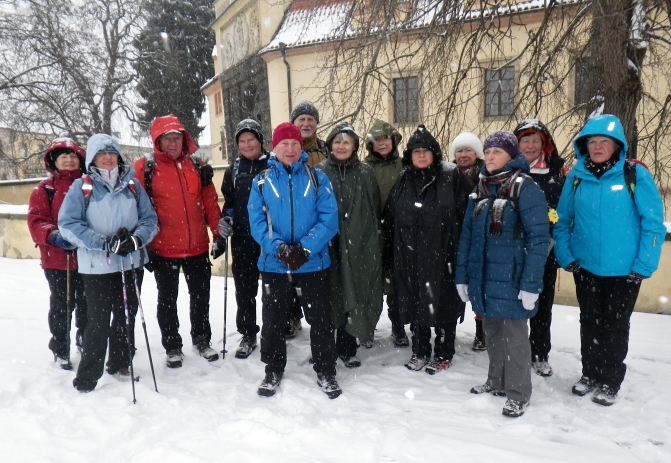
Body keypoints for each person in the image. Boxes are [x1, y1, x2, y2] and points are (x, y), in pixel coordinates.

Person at [553, 114, 666, 406]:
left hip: (624, 271)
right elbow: (563, 220)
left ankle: (610, 379)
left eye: (604, 141)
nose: (598, 146)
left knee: (616, 326)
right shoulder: (577, 176)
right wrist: (566, 256)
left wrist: (644, 265)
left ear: (617, 146)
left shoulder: (634, 175)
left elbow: (653, 224)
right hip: (586, 267)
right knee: (590, 322)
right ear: (584, 146)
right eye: (592, 141)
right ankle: (590, 373)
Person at [456, 131, 550, 417]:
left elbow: (539, 240)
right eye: (489, 151)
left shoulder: (526, 187)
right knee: (492, 332)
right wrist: (463, 276)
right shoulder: (481, 189)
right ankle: (495, 381)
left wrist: (531, 284)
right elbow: (467, 237)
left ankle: (518, 392)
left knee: (516, 337)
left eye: (498, 151)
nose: (491, 156)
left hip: (512, 279)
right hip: (484, 277)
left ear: (512, 156)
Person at [247, 122, 341, 398]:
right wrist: (279, 250)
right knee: (273, 320)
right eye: (284, 144)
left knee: (321, 320)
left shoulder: (317, 177)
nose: (290, 149)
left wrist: (305, 248)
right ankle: (272, 370)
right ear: (274, 148)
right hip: (274, 265)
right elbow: (257, 223)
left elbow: (329, 219)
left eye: (295, 144)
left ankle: (326, 371)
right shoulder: (262, 181)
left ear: (302, 147)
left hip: (312, 263)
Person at [58, 134, 158, 393]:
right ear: (93, 158)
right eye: (102, 154)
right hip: (97, 267)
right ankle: (88, 376)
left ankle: (121, 363)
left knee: (126, 316)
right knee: (98, 321)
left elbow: (150, 220)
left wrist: (136, 240)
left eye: (112, 153)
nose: (108, 158)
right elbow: (68, 225)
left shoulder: (133, 186)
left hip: (130, 262)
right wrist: (104, 242)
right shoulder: (82, 188)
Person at [133, 114, 224, 368]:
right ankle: (172, 345)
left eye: (177, 138)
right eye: (167, 138)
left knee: (200, 296)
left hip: (196, 245)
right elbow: (135, 207)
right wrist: (144, 244)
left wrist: (217, 233)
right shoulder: (145, 168)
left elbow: (209, 200)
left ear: (185, 140)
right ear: (157, 141)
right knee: (167, 299)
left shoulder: (197, 165)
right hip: (163, 248)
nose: (173, 143)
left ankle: (202, 339)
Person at [383, 125, 470, 374]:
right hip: (409, 256)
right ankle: (420, 351)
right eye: (416, 151)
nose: (421, 155)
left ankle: (443, 353)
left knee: (443, 305)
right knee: (416, 303)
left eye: (426, 151)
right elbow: (390, 218)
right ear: (409, 155)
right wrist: (390, 253)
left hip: (444, 256)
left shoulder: (451, 177)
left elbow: (466, 217)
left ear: (435, 153)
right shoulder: (403, 180)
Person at [317, 123, 383, 367]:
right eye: (337, 141)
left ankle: (347, 346)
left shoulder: (365, 172)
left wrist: (369, 240)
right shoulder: (320, 171)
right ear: (330, 145)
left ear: (354, 146)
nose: (341, 146)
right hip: (328, 243)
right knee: (329, 292)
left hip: (359, 242)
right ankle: (325, 345)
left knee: (353, 289)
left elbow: (374, 209)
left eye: (346, 142)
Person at [28, 137, 89, 370]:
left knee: (88, 304)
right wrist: (53, 235)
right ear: (54, 161)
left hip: (86, 258)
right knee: (62, 305)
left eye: (73, 156)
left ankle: (84, 338)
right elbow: (36, 221)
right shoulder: (45, 189)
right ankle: (60, 346)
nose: (69, 160)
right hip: (57, 259)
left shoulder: (88, 185)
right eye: (64, 156)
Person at [513, 119, 567, 377]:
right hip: (512, 250)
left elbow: (565, 212)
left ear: (545, 145)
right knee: (513, 304)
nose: (531, 146)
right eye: (525, 141)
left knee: (541, 305)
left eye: (536, 141)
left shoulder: (558, 173)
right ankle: (514, 351)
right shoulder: (509, 170)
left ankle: (539, 353)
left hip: (544, 251)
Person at [218, 119, 269, 359]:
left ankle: (273, 330)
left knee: (272, 289)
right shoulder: (233, 169)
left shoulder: (273, 164)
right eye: (242, 141)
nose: (247, 144)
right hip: (242, 238)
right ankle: (248, 333)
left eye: (251, 139)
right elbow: (229, 202)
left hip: (269, 237)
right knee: (245, 290)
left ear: (260, 140)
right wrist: (226, 220)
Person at [363, 119, 408, 348]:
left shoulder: (404, 166)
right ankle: (366, 327)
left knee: (395, 283)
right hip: (370, 232)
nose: (382, 143)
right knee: (370, 283)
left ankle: (398, 327)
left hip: (397, 232)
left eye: (385, 139)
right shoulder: (364, 168)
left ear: (393, 141)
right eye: (377, 139)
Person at [449, 131, 486, 351]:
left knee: (480, 285)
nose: (463, 155)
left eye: (468, 150)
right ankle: (450, 327)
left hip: (478, 235)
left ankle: (481, 333)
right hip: (454, 235)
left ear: (476, 153)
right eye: (459, 151)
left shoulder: (484, 174)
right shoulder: (448, 174)